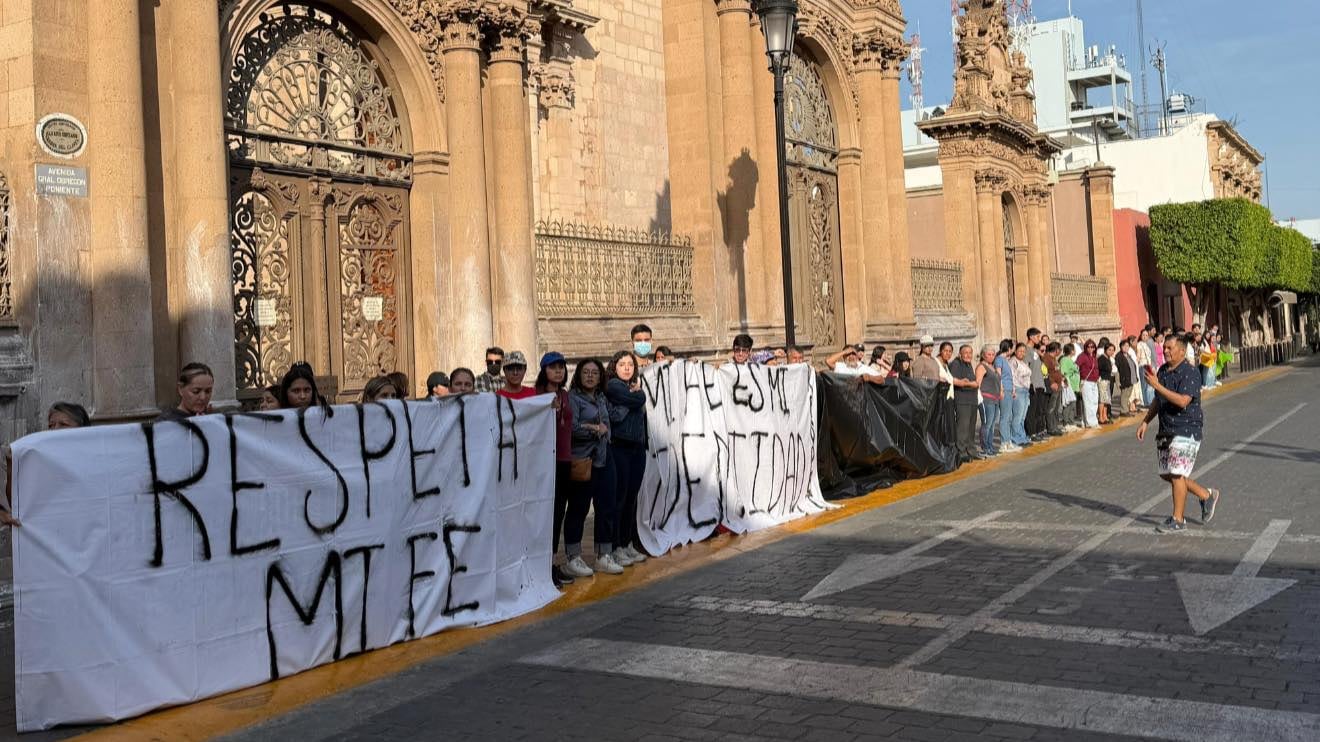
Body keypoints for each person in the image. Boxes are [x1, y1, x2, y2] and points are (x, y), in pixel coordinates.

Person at [1138, 333, 1220, 533]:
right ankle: (1205, 495)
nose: (1165, 351)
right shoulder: (1164, 371)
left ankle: (1178, 519)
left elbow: (1183, 401)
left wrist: (1157, 385)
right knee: (1167, 474)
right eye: (1164, 348)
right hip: (1166, 428)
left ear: (1182, 351)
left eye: (1169, 348)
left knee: (1176, 474)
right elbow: (1158, 399)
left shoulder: (1191, 373)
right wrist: (1146, 421)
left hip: (1186, 428)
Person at [563, 359, 621, 576]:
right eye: (585, 372)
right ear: (578, 375)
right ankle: (573, 556)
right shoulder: (573, 398)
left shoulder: (601, 397)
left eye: (594, 373)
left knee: (607, 507)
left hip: (605, 459)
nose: (590, 376)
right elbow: (572, 427)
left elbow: (610, 424)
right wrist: (594, 429)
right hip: (583, 461)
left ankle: (603, 554)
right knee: (578, 509)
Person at [2, 402, 93, 527]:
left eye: (63, 425)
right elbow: (18, 504)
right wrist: (11, 465)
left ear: (81, 430)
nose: (55, 430)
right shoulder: (39, 461)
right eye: (51, 425)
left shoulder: (93, 462)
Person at [535, 352, 575, 587]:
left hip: (563, 460)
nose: (558, 371)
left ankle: (551, 562)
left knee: (557, 514)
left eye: (561, 367)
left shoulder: (565, 396)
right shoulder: (537, 396)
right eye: (552, 368)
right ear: (544, 371)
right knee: (543, 515)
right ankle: (540, 565)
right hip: (543, 463)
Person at [606, 350, 648, 569]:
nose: (626, 368)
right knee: (619, 499)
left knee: (632, 498)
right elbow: (639, 399)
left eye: (630, 364)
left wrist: (634, 399)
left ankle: (627, 541)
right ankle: (616, 547)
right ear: (615, 367)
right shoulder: (613, 385)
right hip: (620, 447)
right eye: (622, 364)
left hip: (637, 447)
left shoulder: (633, 385)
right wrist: (637, 396)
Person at [948, 345, 980, 463]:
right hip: (962, 400)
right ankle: (961, 452)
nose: (968, 355)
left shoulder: (969, 364)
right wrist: (971, 384)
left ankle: (971, 450)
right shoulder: (956, 364)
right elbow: (956, 381)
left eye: (970, 353)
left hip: (972, 399)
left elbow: (969, 381)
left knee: (971, 427)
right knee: (963, 427)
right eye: (965, 353)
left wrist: (970, 383)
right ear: (960, 354)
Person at [975, 345, 1003, 456]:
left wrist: (1001, 391)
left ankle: (990, 446)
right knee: (986, 424)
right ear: (983, 355)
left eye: (993, 354)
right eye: (988, 354)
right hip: (986, 399)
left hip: (995, 399)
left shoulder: (993, 367)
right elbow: (978, 383)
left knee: (992, 425)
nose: (991, 356)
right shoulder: (981, 367)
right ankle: (985, 448)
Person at [992, 340, 1019, 453]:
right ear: (1008, 348)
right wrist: (1001, 390)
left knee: (1008, 417)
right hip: (1004, 390)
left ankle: (1008, 441)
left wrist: (1012, 389)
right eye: (1012, 348)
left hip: (1009, 390)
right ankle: (1004, 443)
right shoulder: (999, 360)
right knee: (1004, 417)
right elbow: (999, 375)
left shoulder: (1006, 360)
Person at [1024, 328, 1048, 441]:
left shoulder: (1034, 351)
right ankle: (1031, 433)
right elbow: (1026, 367)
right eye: (1038, 337)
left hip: (1040, 384)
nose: (1039, 339)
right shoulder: (1026, 350)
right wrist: (1030, 383)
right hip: (1033, 384)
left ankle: (1039, 431)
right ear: (1031, 337)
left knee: (1039, 410)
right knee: (1032, 411)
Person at [1009, 343, 1033, 447]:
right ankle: (1016, 437)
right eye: (1020, 351)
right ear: (1015, 351)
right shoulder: (1013, 362)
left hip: (1025, 390)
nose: (1022, 353)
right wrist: (1013, 390)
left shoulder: (1023, 362)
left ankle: (1022, 436)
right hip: (1018, 390)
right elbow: (1012, 377)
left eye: (1024, 351)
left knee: (1023, 416)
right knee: (1017, 416)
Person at [1042, 342, 1064, 436]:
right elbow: (1045, 372)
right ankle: (1051, 428)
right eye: (1059, 349)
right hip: (1053, 386)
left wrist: (1063, 378)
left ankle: (1055, 426)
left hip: (1059, 386)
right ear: (1056, 350)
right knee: (1051, 408)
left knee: (1056, 408)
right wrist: (1051, 382)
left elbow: (1057, 371)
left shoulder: (1054, 359)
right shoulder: (1047, 358)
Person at [1077, 340, 1101, 429]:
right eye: (1089, 347)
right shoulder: (1082, 356)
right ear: (1085, 347)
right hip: (1086, 381)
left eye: (1092, 347)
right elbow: (1076, 366)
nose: (1091, 349)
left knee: (1095, 402)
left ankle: (1088, 421)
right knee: (1088, 402)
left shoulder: (1094, 357)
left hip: (1094, 382)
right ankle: (1091, 423)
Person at [1117, 338, 1137, 416]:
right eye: (1124, 346)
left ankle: (1126, 409)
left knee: (1128, 395)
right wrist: (1119, 380)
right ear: (1121, 347)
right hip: (1124, 379)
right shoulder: (1119, 356)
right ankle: (1123, 411)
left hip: (1131, 378)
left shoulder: (1128, 355)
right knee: (1124, 395)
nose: (1126, 347)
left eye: (1127, 346)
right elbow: (1118, 369)